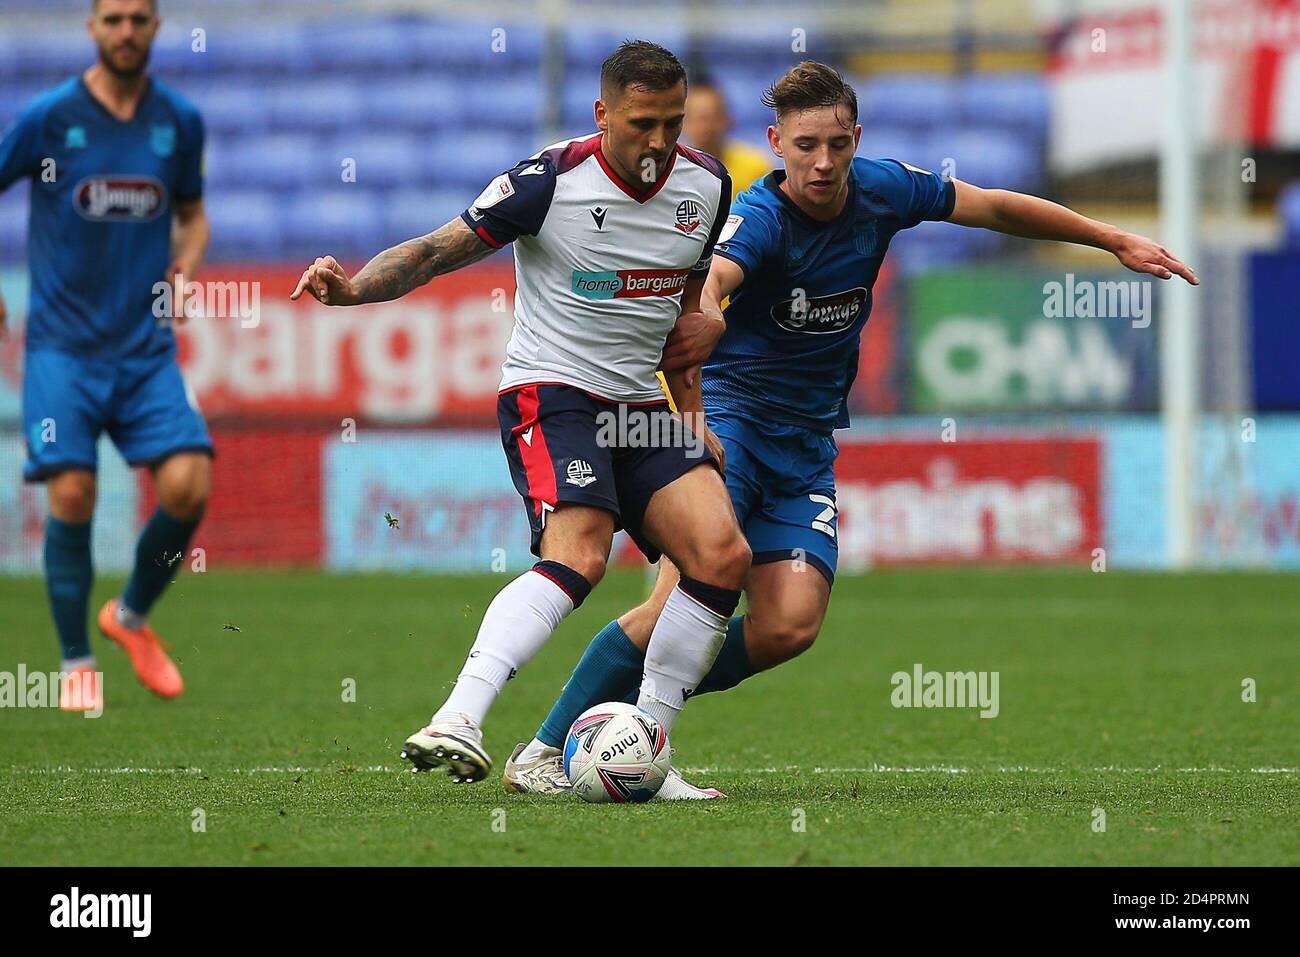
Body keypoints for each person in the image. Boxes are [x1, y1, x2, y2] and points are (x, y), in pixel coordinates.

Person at [506, 59, 1199, 798]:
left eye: (837, 143)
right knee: (676, 598)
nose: (823, 161)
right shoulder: (762, 218)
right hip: (732, 430)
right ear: (776, 142)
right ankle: (553, 746)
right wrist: (703, 315)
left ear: (856, 138)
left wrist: (1109, 238)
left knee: (789, 626)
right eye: (806, 145)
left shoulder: (886, 189)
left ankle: (627, 722)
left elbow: (993, 207)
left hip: (806, 448)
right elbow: (713, 277)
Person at [290, 41, 749, 791]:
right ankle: (458, 717)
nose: (660, 142)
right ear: (603, 114)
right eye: (642, 124)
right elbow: (436, 250)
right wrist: (351, 290)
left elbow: (680, 319)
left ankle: (644, 747)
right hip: (554, 391)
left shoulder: (707, 184)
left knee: (722, 555)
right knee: (581, 555)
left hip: (640, 403)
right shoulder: (550, 179)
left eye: (671, 122)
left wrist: (692, 412)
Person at [0, 0, 212, 711]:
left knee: (188, 484)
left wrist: (185, 265)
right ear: (92, 27)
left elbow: (192, 213)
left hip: (144, 351)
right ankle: (74, 659)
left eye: (140, 19)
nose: (127, 31)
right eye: (113, 18)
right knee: (72, 491)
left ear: (155, 28)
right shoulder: (50, 119)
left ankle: (129, 617)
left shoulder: (177, 122)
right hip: (62, 348)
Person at [683, 74, 769, 195]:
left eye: (712, 117)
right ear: (683, 123)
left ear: (727, 119)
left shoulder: (755, 166)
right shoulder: (673, 171)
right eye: (698, 118)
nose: (705, 127)